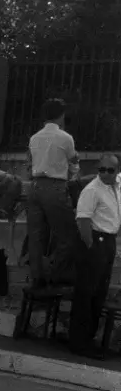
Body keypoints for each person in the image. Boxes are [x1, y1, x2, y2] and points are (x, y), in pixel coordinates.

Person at [68, 153, 120, 359]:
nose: (105, 174)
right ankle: (79, 343)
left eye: (110, 170)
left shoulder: (117, 184)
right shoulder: (92, 190)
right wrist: (91, 247)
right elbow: (83, 221)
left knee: (99, 292)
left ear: (116, 171)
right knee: (86, 293)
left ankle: (88, 339)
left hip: (108, 241)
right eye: (102, 169)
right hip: (94, 240)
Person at [25, 98, 81, 289]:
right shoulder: (65, 138)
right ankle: (56, 276)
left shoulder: (34, 138)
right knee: (67, 234)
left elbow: (30, 163)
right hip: (55, 187)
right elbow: (74, 164)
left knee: (36, 236)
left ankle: (37, 279)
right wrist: (73, 173)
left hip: (34, 187)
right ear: (61, 116)